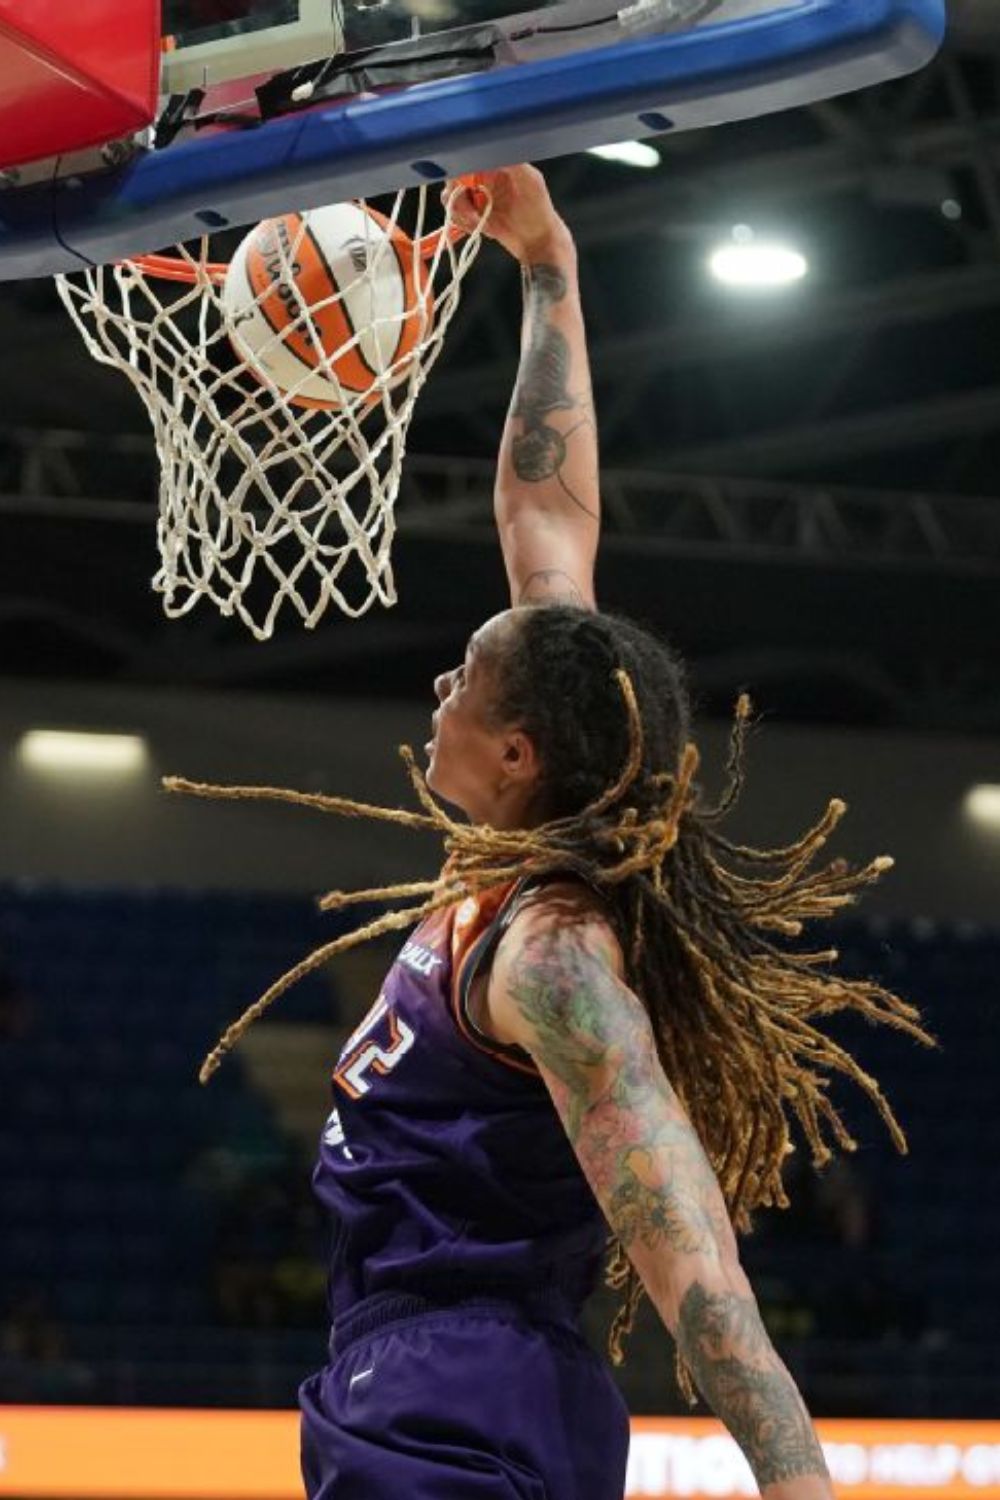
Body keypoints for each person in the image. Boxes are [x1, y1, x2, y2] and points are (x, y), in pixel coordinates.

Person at [170, 165, 931, 1498]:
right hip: (419, 1380)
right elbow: (548, 520)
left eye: (461, 675)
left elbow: (684, 1234)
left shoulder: (553, 958)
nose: (438, 686)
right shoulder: (518, 851)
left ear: (515, 755)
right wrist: (549, 260)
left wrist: (801, 1478)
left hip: (463, 1402)